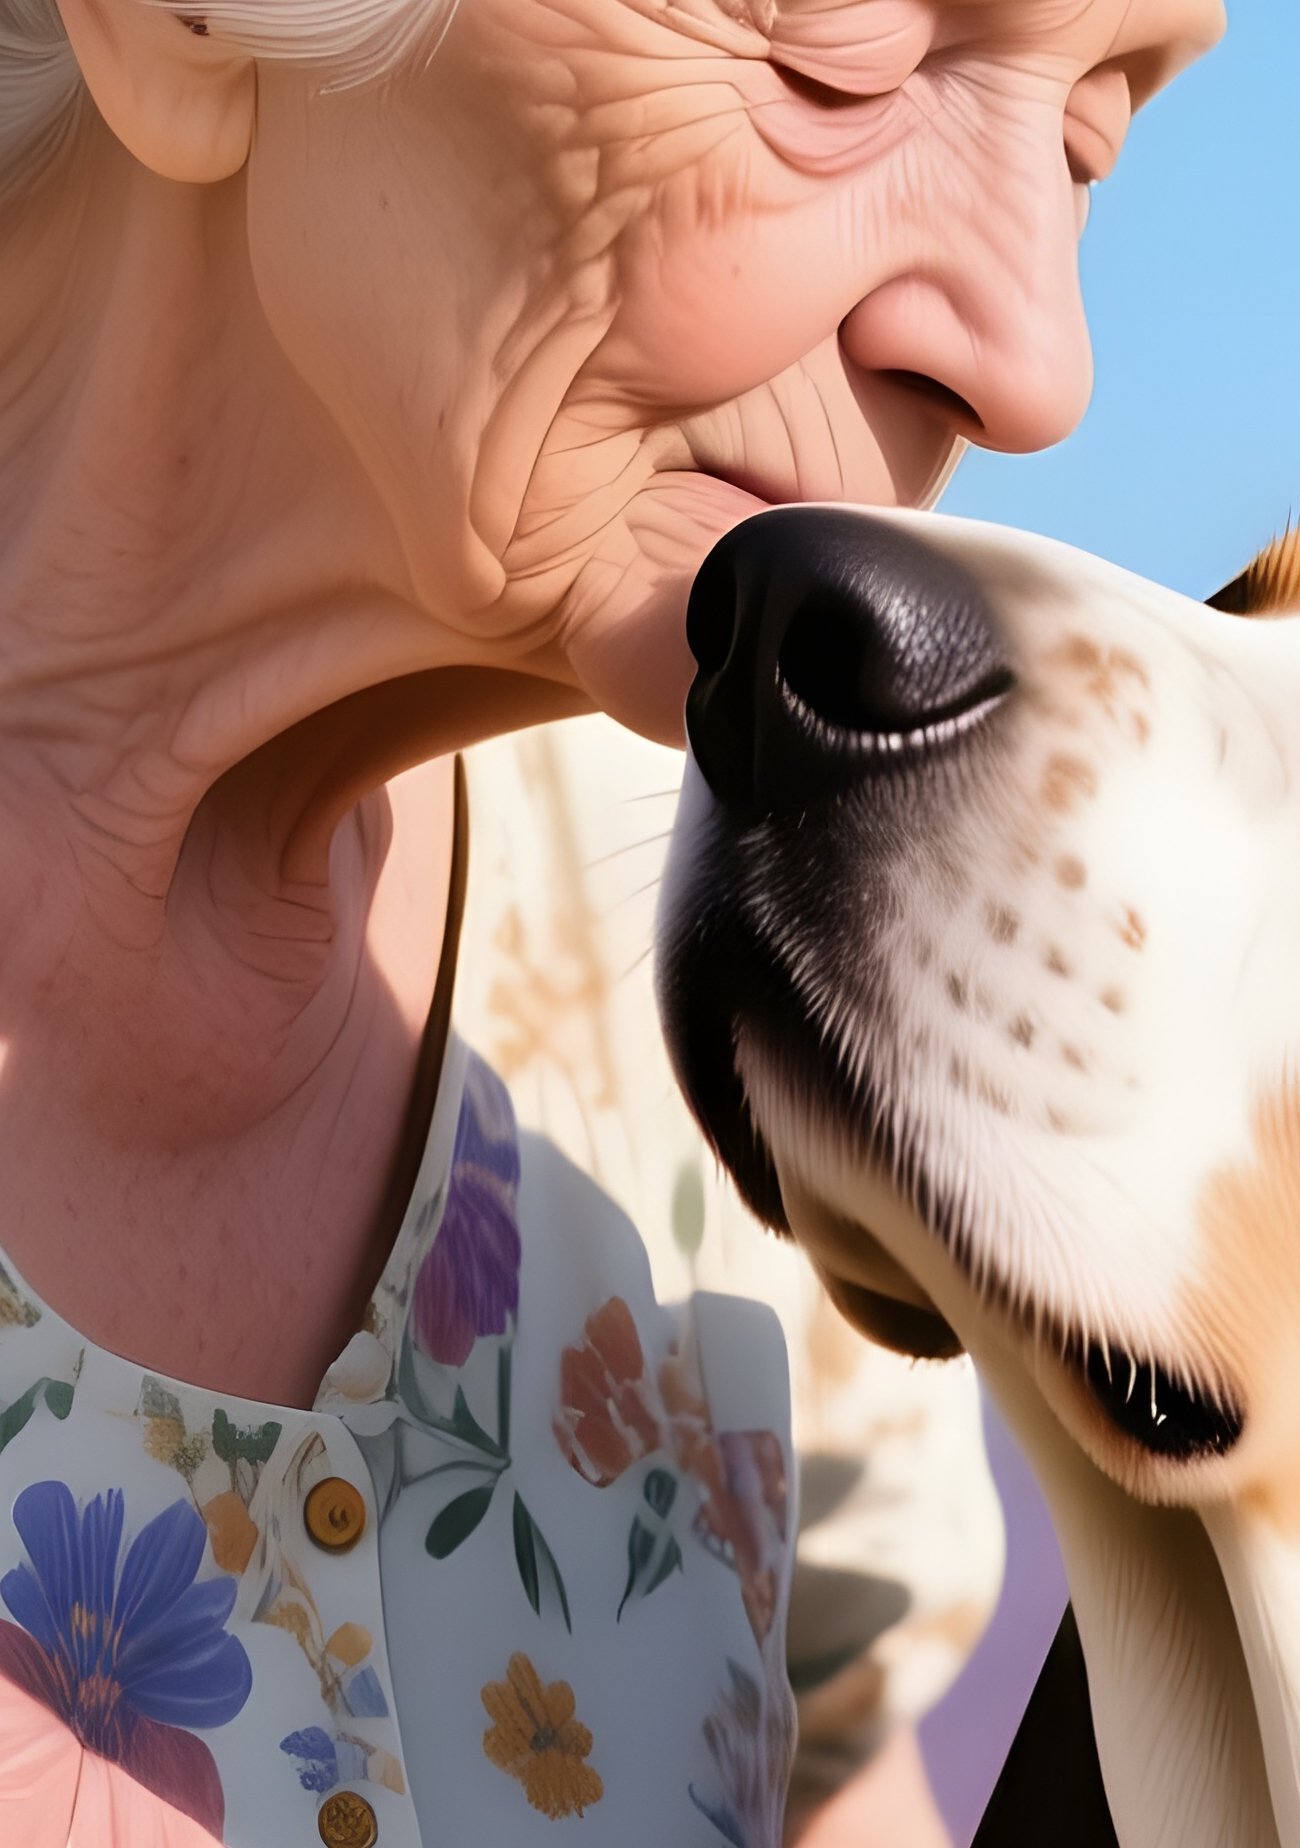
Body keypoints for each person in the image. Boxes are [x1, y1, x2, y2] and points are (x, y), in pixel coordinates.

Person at [0, 0, 1223, 1842]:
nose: (1034, 364)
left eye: (1085, 138)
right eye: (845, 55)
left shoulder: (754, 985)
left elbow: (821, 1780)